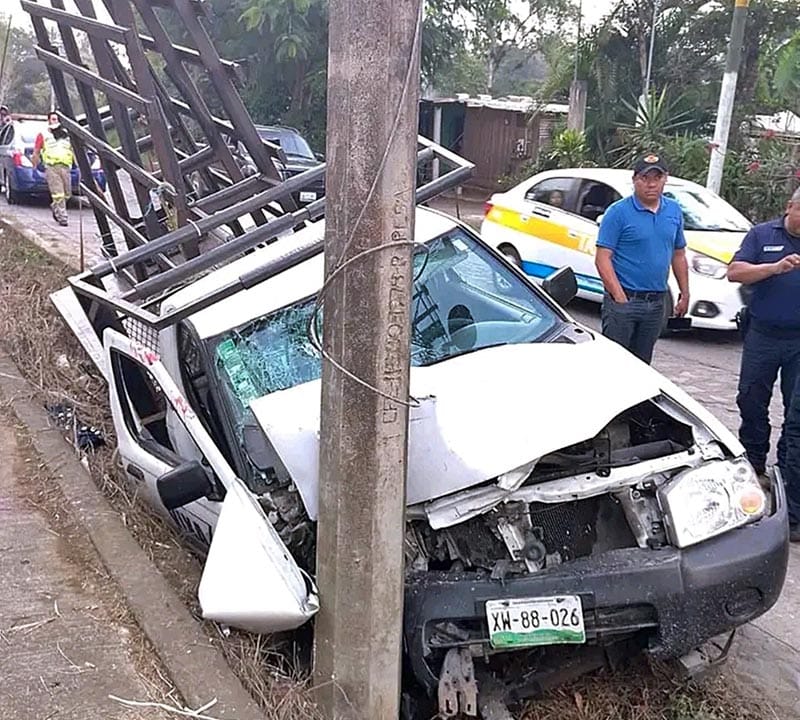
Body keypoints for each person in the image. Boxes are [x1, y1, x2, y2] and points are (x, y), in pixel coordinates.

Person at [727, 187, 800, 505]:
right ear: (790, 207)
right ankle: (755, 463)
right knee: (751, 400)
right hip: (764, 335)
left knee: (796, 414)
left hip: (799, 340)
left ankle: (784, 470)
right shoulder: (761, 235)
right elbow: (734, 272)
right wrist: (774, 268)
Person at [594, 153, 690, 364]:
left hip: (656, 302)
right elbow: (603, 258)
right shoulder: (618, 212)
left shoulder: (673, 210)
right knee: (615, 364)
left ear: (666, 179)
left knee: (642, 365)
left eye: (657, 178)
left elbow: (678, 253)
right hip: (625, 300)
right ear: (635, 180)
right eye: (644, 179)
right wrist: (619, 297)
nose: (651, 184)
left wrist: (685, 292)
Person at [32, 111, 74, 227]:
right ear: (49, 120)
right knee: (58, 194)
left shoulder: (66, 135)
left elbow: (72, 150)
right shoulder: (43, 135)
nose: (55, 121)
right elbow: (36, 151)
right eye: (53, 119)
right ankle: (63, 217)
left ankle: (55, 207)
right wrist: (34, 165)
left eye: (57, 119)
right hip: (52, 168)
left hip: (65, 167)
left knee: (67, 194)